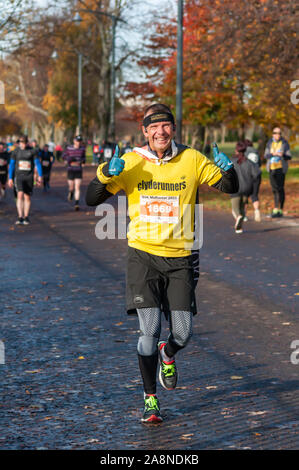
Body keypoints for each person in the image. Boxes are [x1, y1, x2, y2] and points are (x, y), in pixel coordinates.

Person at [86, 103, 238, 423]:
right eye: (153, 127)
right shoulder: (131, 162)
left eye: (166, 126)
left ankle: (167, 355)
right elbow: (92, 198)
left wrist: (229, 169)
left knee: (183, 334)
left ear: (173, 129)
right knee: (149, 329)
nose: (160, 132)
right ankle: (150, 398)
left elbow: (230, 187)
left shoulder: (192, 159)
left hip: (180, 258)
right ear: (144, 132)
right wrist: (104, 173)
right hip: (142, 255)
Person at [8, 135, 42, 225]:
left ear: (27, 143)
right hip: (18, 176)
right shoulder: (15, 151)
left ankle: (26, 217)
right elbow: (11, 165)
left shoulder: (32, 151)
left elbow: (37, 163)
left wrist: (40, 176)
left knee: (27, 196)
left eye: (23, 143)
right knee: (19, 194)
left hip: (29, 176)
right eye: (20, 143)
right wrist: (10, 178)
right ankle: (20, 217)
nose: (22, 145)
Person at [228, 141, 261, 234]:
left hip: (235, 188)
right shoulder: (250, 163)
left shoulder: (232, 161)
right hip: (247, 188)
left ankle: (238, 217)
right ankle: (239, 228)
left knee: (235, 209)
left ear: (236, 150)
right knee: (243, 207)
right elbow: (257, 174)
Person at [264, 127, 292, 218]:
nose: (277, 135)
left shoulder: (284, 143)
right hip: (272, 168)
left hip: (281, 168)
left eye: (279, 133)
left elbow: (289, 156)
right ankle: (276, 208)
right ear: (273, 134)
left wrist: (282, 154)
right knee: (274, 189)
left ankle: (280, 209)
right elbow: (265, 155)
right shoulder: (269, 143)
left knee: (280, 188)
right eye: (275, 133)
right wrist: (272, 154)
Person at [62, 135, 86, 211]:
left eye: (80, 141)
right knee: (71, 187)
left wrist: (83, 162)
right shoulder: (69, 148)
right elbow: (64, 155)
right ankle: (71, 192)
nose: (78, 143)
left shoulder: (82, 149)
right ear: (74, 141)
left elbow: (83, 157)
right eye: (77, 141)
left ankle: (76, 204)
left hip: (78, 170)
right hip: (71, 169)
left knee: (77, 187)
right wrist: (67, 160)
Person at [244, 139, 262, 222]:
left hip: (248, 176)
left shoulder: (244, 152)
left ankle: (244, 214)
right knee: (254, 195)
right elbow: (260, 164)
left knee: (245, 195)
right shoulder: (256, 151)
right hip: (257, 175)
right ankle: (257, 211)